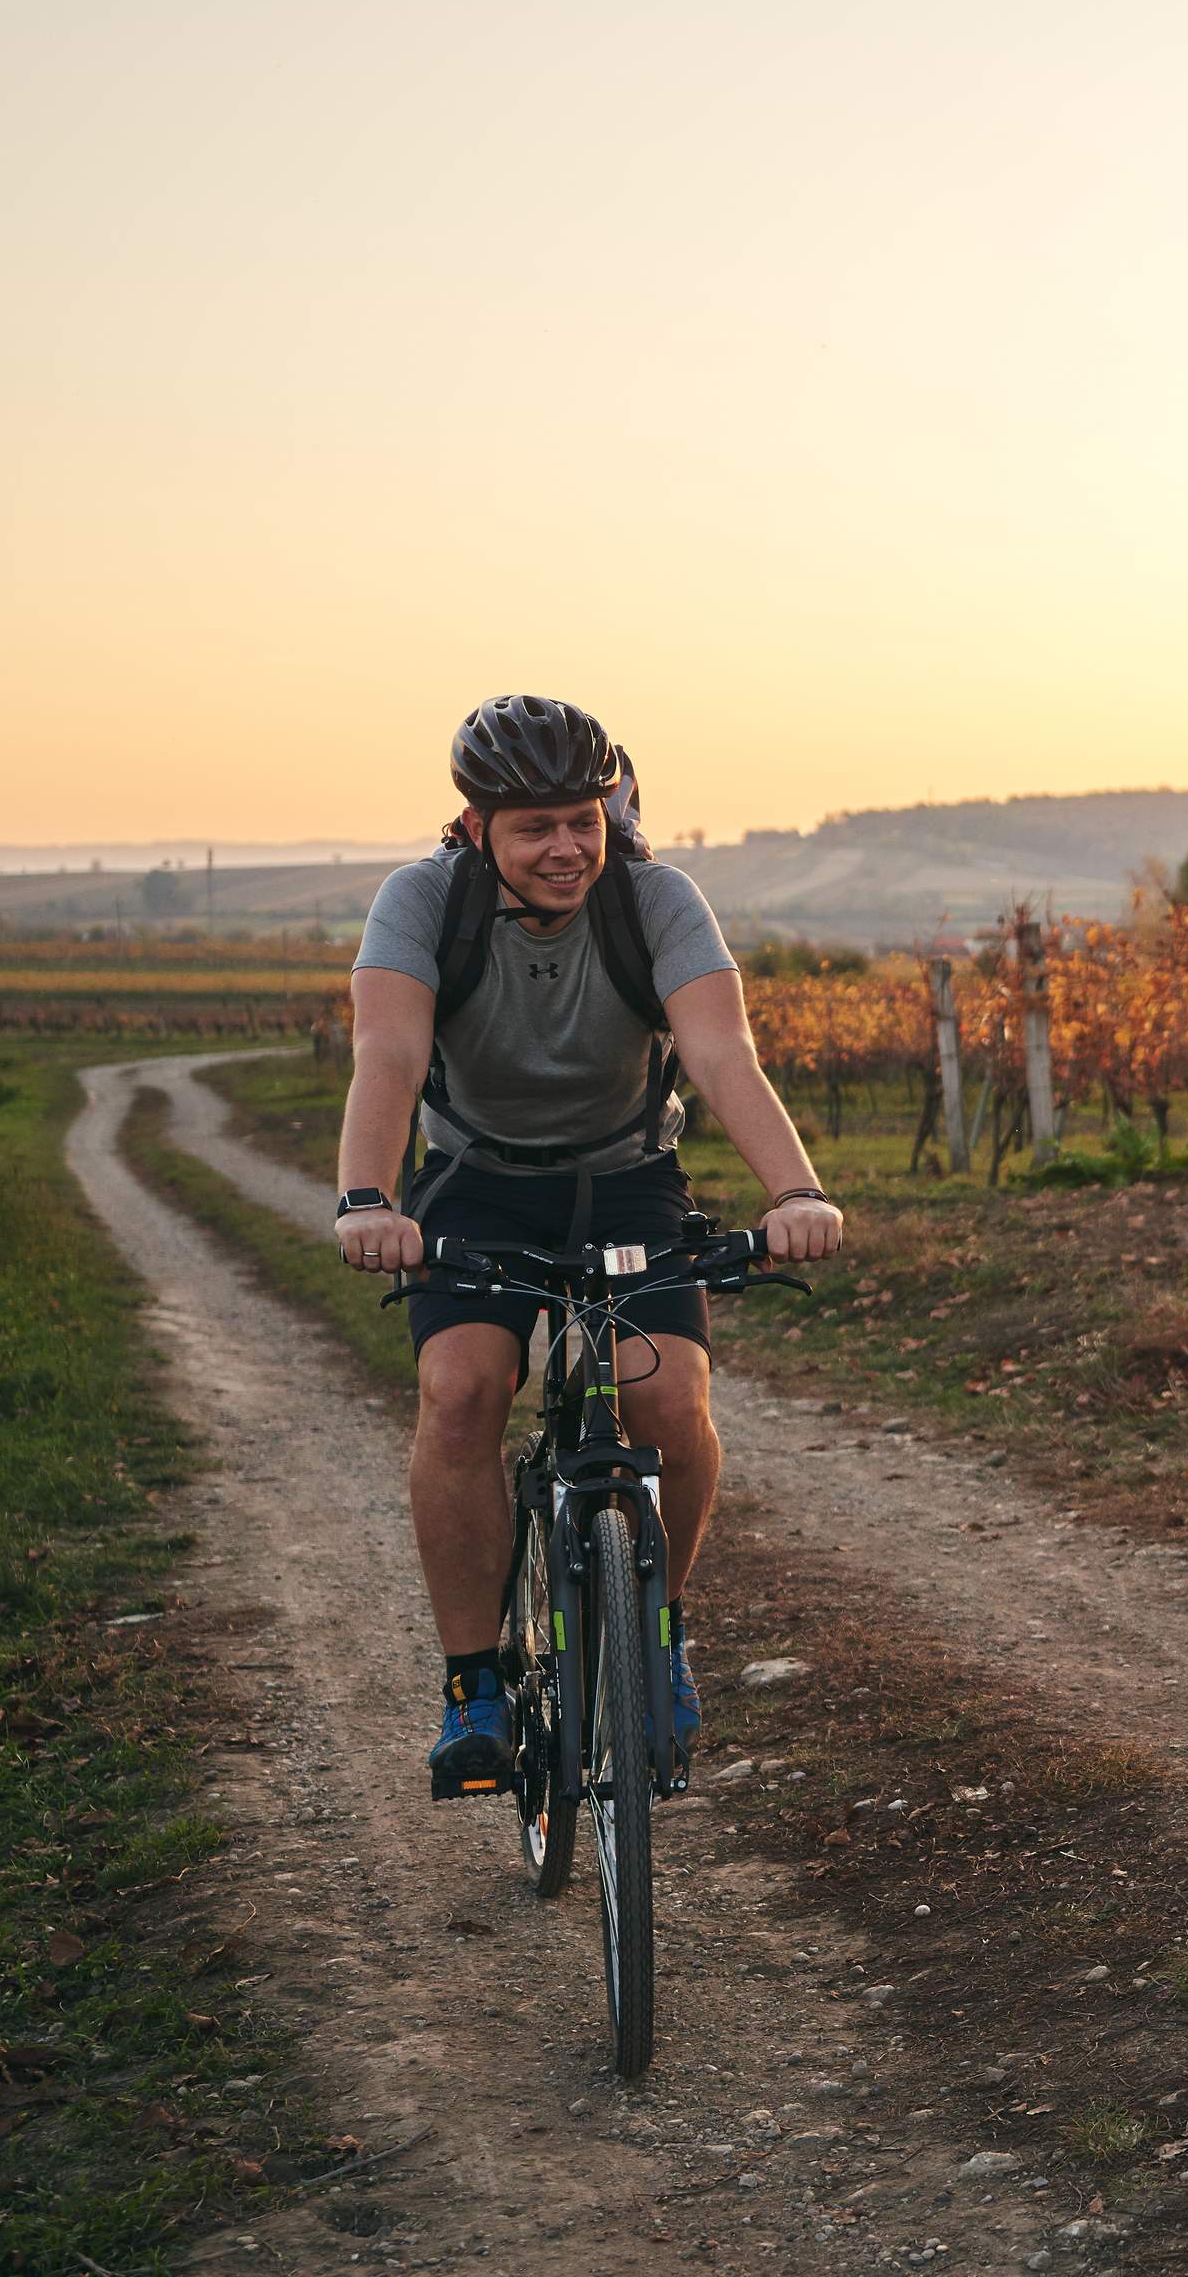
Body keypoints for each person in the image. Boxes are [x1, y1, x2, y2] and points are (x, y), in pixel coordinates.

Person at [331, 694, 846, 1798]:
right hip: (478, 1183)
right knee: (461, 1391)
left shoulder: (655, 900)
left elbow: (720, 1052)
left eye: (582, 819)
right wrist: (368, 1199)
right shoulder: (422, 901)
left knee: (669, 1403)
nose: (566, 847)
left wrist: (795, 1191)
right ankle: (473, 1683)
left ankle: (656, 1641)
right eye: (535, 827)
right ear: (476, 829)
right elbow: (386, 1053)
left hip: (627, 1181)